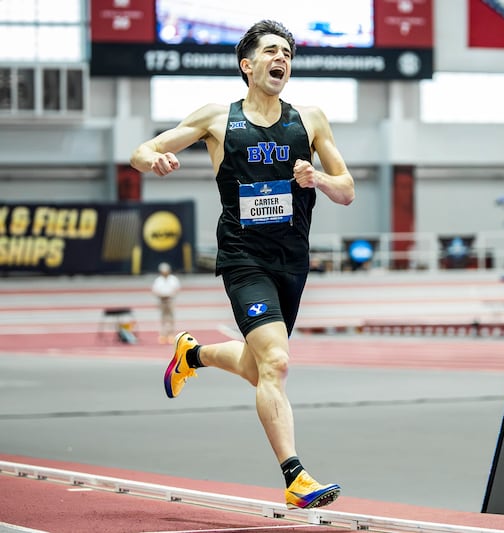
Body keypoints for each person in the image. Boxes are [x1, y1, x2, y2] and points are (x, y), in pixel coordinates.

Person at [130, 19, 355, 510]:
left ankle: (193, 355)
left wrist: (315, 176)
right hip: (243, 258)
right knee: (276, 362)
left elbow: (347, 191)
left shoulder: (310, 119)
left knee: (259, 369)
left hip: (292, 261)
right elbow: (141, 151)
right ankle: (295, 477)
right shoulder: (217, 118)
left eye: (288, 54)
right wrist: (154, 160)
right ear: (247, 65)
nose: (282, 59)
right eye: (272, 51)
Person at [152, 262, 181, 344]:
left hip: (170, 300)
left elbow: (176, 289)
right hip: (162, 301)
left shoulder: (173, 279)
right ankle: (163, 335)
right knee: (163, 318)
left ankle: (171, 334)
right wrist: (161, 296)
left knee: (171, 318)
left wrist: (170, 295)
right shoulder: (158, 280)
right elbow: (155, 291)